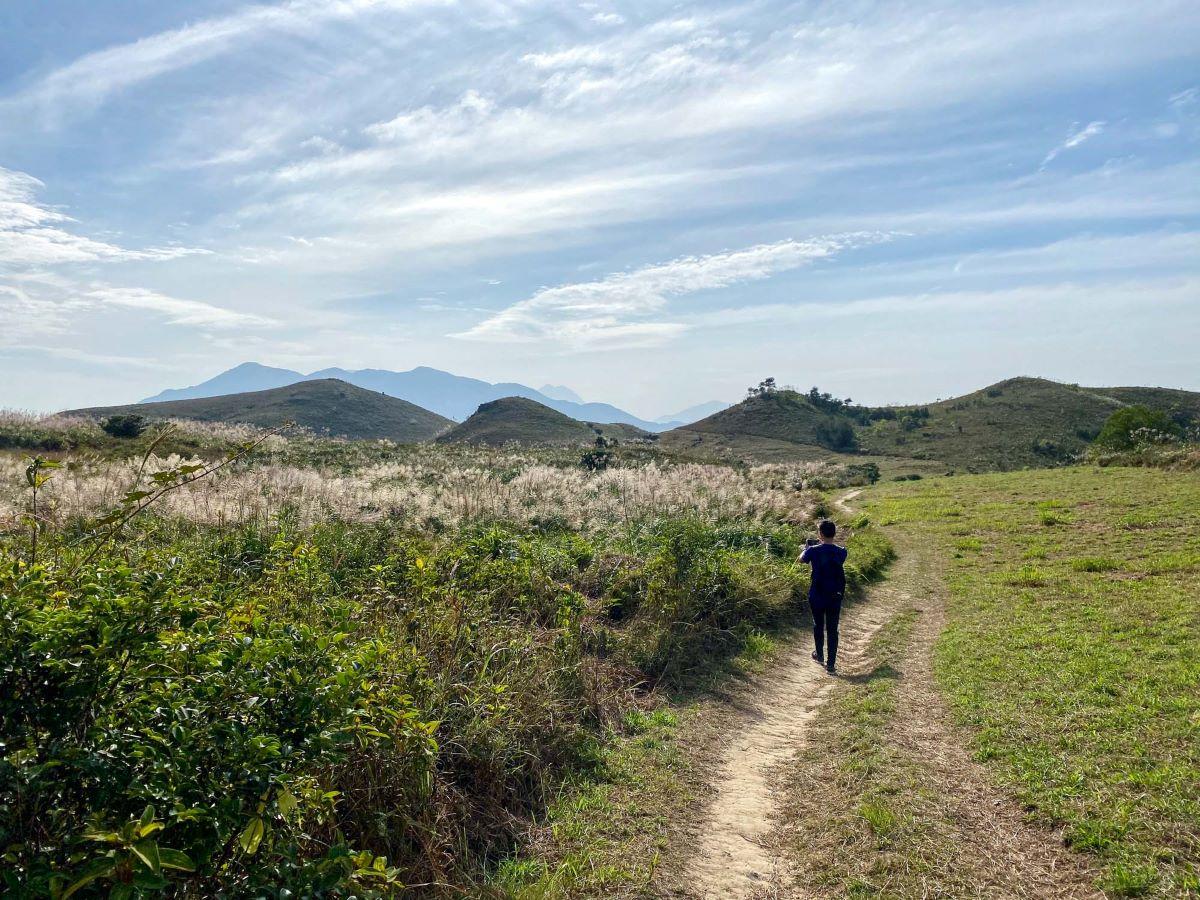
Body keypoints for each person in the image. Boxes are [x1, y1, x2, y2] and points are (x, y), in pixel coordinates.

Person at [799, 519, 847, 674]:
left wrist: (805, 549)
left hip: (817, 594)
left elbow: (800, 560)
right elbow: (836, 556)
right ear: (834, 533)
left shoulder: (813, 550)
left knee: (818, 624)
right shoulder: (842, 551)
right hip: (835, 595)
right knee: (833, 629)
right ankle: (831, 664)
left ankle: (819, 655)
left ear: (820, 534)